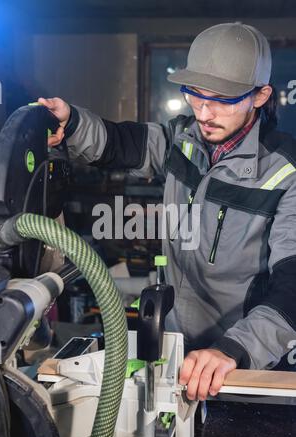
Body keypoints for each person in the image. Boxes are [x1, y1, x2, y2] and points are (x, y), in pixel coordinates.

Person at [39, 22, 296, 402]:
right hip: (176, 349)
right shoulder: (184, 139)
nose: (204, 112)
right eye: (195, 94)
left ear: (260, 96)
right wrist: (72, 123)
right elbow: (122, 143)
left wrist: (233, 350)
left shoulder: (285, 171)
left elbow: (292, 284)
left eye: (221, 99)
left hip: (247, 364)